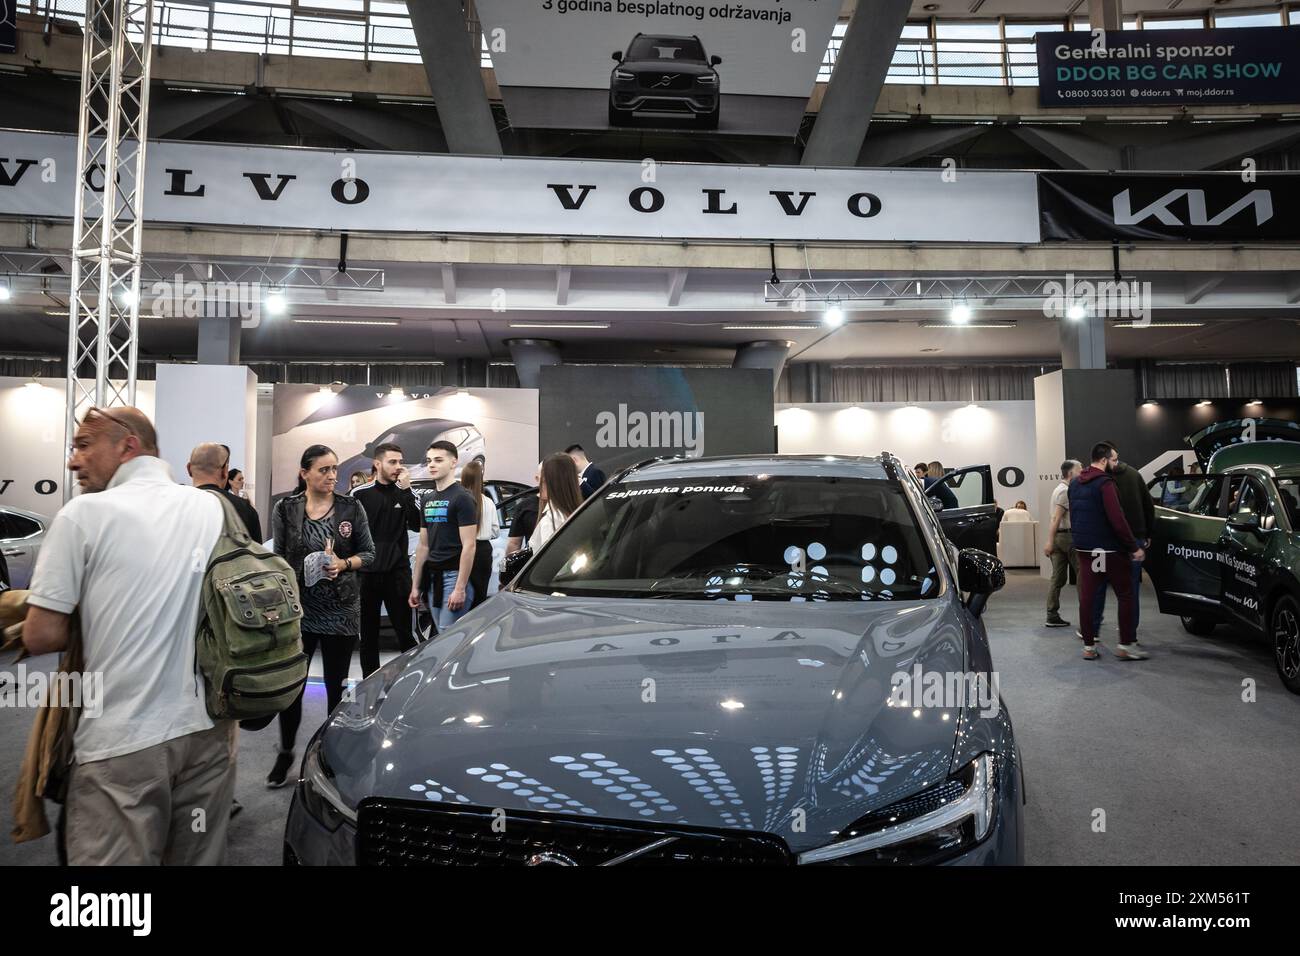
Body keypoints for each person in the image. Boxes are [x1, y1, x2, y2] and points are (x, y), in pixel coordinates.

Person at [22, 406, 235, 864]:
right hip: (208, 734)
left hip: (122, 742)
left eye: (83, 445)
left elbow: (42, 635)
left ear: (127, 446)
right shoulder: (211, 508)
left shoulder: (83, 515)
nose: (73, 461)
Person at [268, 444, 374, 787]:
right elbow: (280, 557)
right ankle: (285, 753)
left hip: (341, 610)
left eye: (334, 469)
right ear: (305, 474)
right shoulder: (286, 508)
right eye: (324, 470)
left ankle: (332, 755)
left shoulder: (350, 506)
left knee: (336, 685)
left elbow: (369, 554)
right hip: (300, 611)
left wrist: (343, 564)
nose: (331, 476)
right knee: (292, 687)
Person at [1069, 442, 1146, 661]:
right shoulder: (1105, 484)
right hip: (1109, 551)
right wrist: (1134, 547)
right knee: (1126, 594)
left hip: (1087, 551)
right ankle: (1126, 645)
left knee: (1088, 597)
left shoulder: (1075, 484)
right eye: (1114, 459)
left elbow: (1075, 517)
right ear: (1103, 460)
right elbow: (1117, 520)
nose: (1116, 463)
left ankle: (1089, 647)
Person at [352, 442, 420, 679]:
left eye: (400, 462)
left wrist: (407, 491)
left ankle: (411, 682)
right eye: (392, 462)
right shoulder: (359, 494)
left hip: (397, 574)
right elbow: (349, 535)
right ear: (377, 464)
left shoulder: (406, 492)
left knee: (406, 634)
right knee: (368, 637)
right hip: (366, 576)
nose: (398, 467)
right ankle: (369, 685)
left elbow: (415, 524)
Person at [409, 440, 477, 631]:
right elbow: (423, 546)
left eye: (438, 460)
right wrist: (416, 586)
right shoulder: (427, 498)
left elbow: (469, 545)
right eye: (429, 460)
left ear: (453, 462)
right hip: (433, 577)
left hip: (453, 577)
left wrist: (460, 588)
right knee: (440, 635)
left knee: (449, 636)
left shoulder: (462, 497)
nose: (431, 465)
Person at [1091, 440, 1156, 639]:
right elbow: (1148, 506)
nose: (1114, 462)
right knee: (1129, 591)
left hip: (1102, 544)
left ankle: (1092, 633)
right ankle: (1129, 633)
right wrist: (1146, 534)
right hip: (1132, 542)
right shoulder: (1134, 475)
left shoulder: (1096, 479)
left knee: (1097, 587)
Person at [188, 442, 262, 541]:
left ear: (189, 468)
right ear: (225, 471)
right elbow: (257, 552)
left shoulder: (174, 506)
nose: (243, 481)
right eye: (240, 479)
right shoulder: (245, 508)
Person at [1044, 459, 1081, 628]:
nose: (1082, 472)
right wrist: (1049, 541)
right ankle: (1088, 614)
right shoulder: (1065, 492)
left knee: (1057, 579)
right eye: (1080, 470)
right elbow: (1056, 518)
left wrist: (1051, 541)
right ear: (1071, 473)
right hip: (1067, 538)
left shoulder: (1058, 489)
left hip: (1060, 539)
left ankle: (1052, 615)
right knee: (1083, 576)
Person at [460, 459, 501, 610]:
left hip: (463, 549)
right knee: (480, 596)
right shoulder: (488, 502)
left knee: (461, 594)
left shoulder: (459, 500)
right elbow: (496, 531)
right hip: (483, 551)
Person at [531, 452, 583, 550]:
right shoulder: (582, 512)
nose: (539, 483)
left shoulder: (551, 520)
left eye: (542, 479)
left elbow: (549, 562)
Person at [506, 462, 542, 557]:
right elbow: (514, 543)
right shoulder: (525, 506)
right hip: (534, 561)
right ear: (537, 479)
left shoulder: (569, 503)